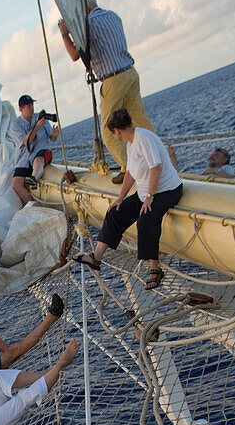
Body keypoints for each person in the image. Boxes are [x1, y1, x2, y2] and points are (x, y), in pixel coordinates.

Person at [75, 108, 182, 290]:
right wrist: (120, 198)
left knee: (145, 222)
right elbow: (131, 173)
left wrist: (149, 197)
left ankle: (155, 270)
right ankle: (96, 257)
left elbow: (155, 168)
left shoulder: (143, 138)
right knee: (115, 212)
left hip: (167, 190)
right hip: (145, 193)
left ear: (117, 130)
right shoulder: (130, 142)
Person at [59, 0, 154, 183]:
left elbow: (74, 55)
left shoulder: (88, 25)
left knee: (109, 129)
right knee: (139, 121)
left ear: (85, 9)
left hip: (113, 79)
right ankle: (157, 157)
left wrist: (64, 33)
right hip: (130, 73)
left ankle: (130, 169)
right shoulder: (113, 16)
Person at [10, 94, 61, 205]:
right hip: (23, 159)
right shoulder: (15, 125)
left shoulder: (40, 118)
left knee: (38, 161)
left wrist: (55, 135)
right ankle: (33, 205)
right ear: (21, 109)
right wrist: (37, 126)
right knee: (16, 183)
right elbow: (26, 141)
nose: (32, 108)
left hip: (41, 152)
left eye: (32, 105)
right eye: (28, 106)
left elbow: (51, 138)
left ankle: (34, 178)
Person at [168, 145, 235, 178]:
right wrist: (173, 157)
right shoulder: (203, 171)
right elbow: (179, 178)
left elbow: (232, 179)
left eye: (216, 155)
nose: (211, 157)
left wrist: (215, 171)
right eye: (212, 155)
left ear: (224, 160)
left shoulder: (226, 168)